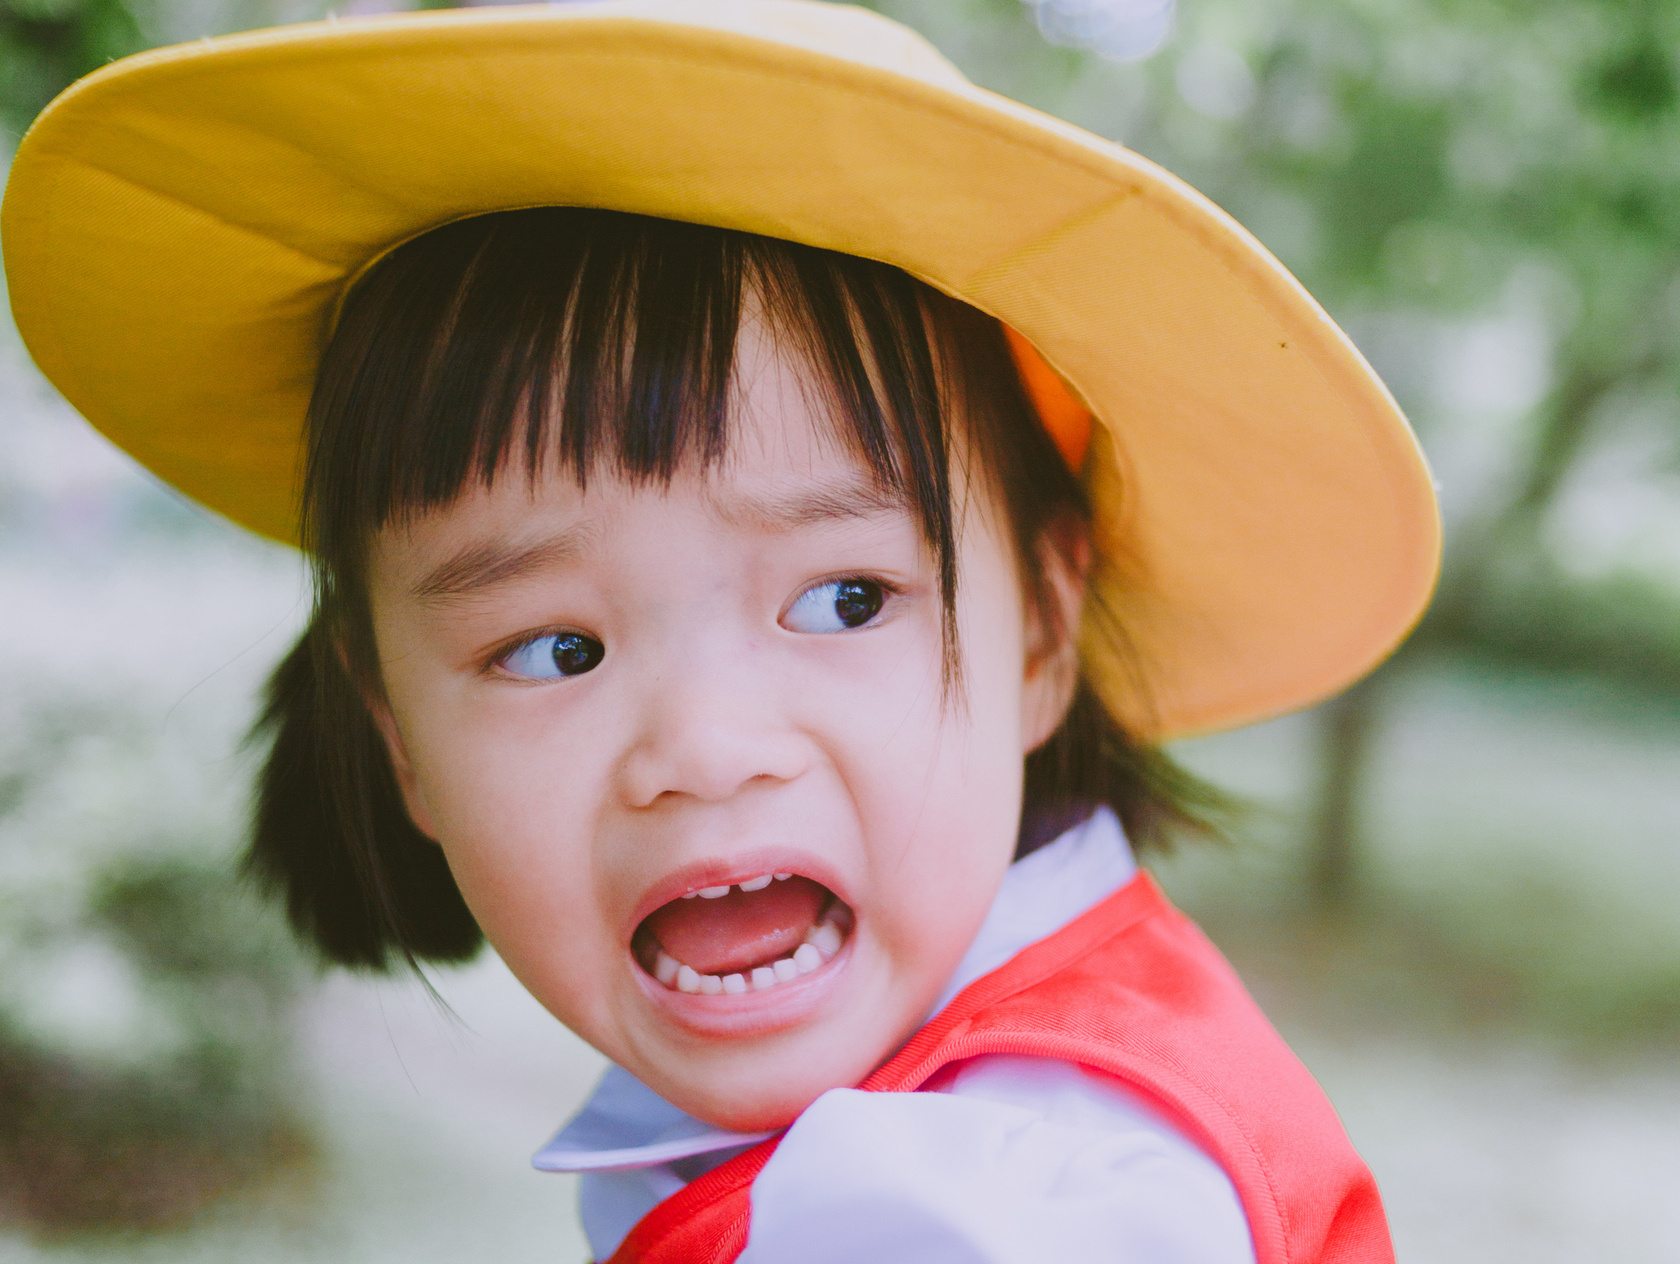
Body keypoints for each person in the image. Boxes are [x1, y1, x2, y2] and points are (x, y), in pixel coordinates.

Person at [0, 2, 1440, 1261]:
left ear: (1041, 636)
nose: (702, 749)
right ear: (400, 742)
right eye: (554, 649)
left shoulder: (994, 1204)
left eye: (844, 599)